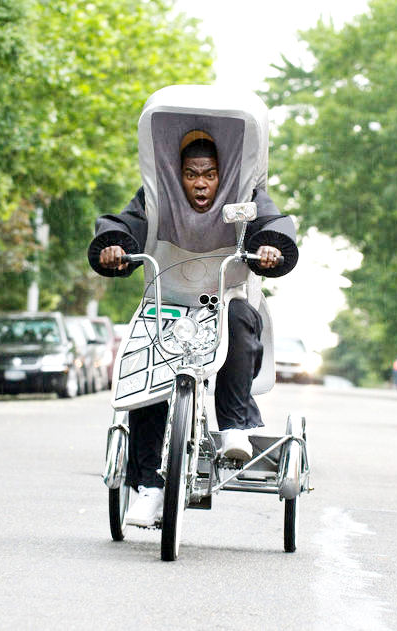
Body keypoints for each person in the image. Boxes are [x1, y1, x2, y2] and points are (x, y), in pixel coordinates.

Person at [88, 131, 298, 527]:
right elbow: (127, 224)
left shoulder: (244, 199)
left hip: (225, 301)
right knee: (146, 366)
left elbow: (272, 223)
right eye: (190, 174)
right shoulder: (156, 198)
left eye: (210, 174)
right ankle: (149, 488)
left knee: (238, 318)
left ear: (223, 176)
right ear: (177, 175)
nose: (200, 183)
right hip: (168, 305)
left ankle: (235, 426)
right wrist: (114, 246)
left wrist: (270, 246)